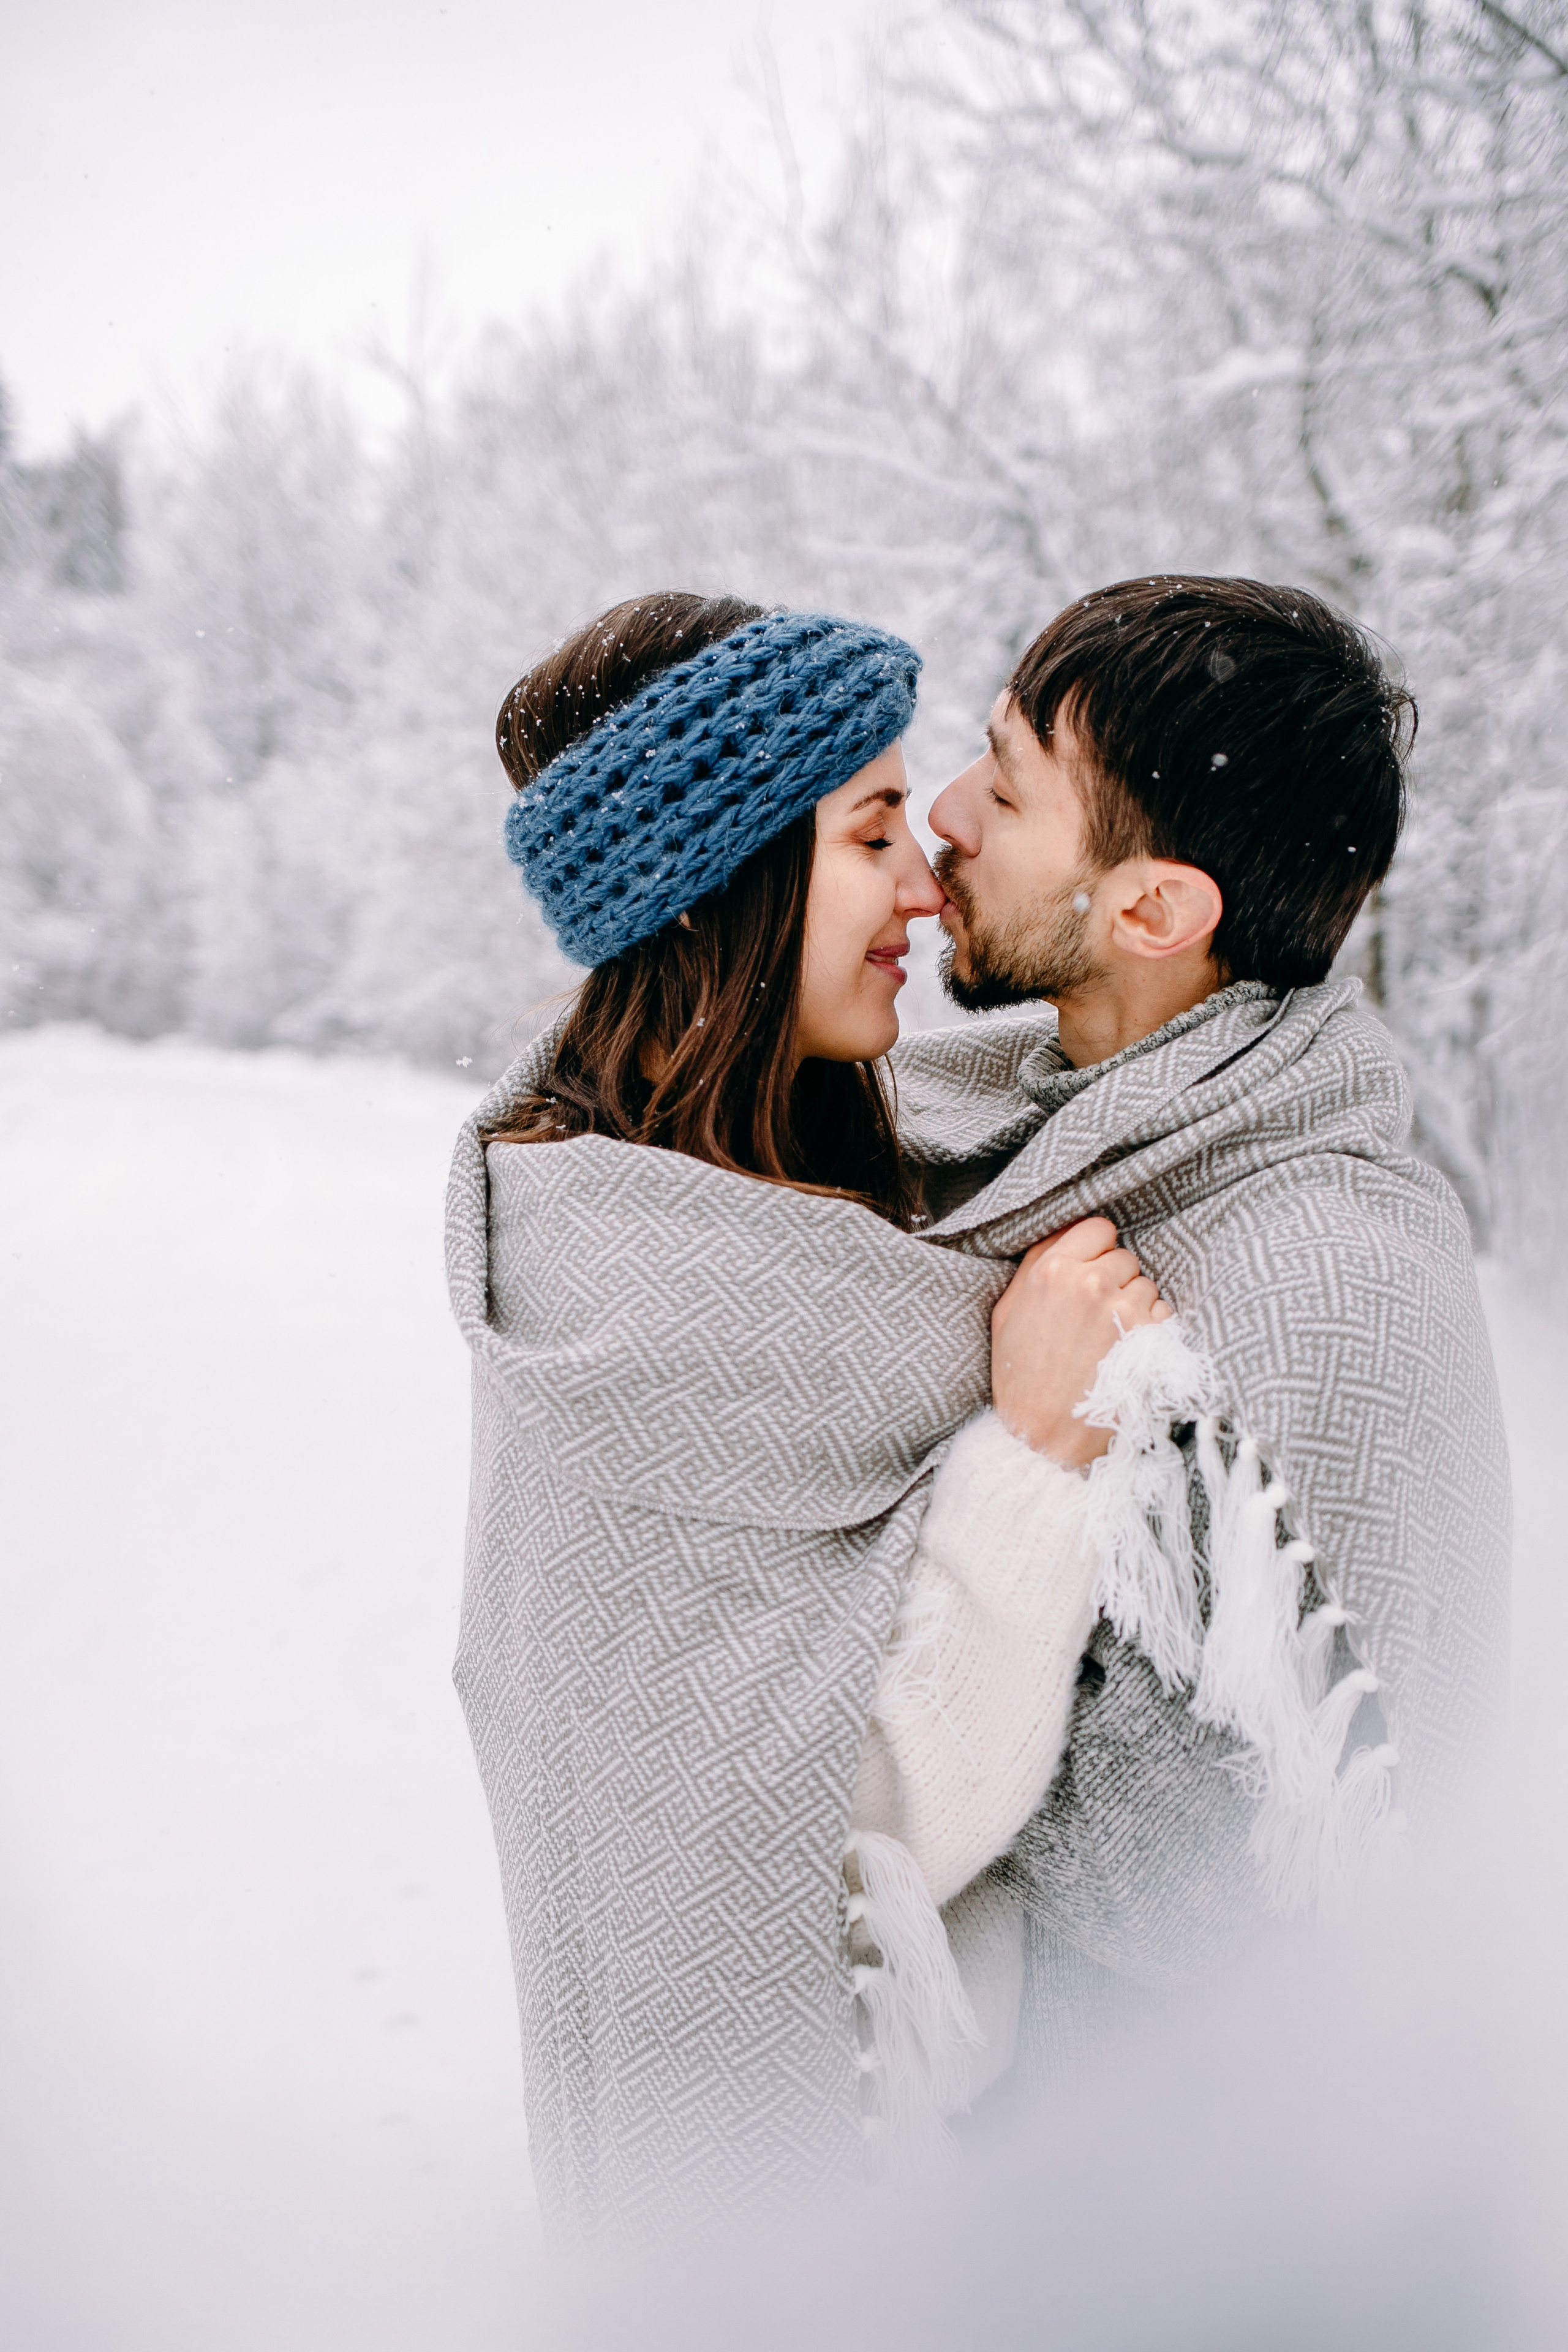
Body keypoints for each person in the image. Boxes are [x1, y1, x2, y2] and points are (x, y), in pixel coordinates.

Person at [445, 595, 1163, 2243]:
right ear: (726, 881)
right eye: (870, 831)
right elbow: (816, 1839)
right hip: (810, 2228)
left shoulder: (827, 1174)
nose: (924, 883)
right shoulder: (622, 1288)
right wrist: (1030, 1462)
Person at [873, 573, 1511, 2094]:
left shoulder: (1317, 1286)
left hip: (1152, 2167)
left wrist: (985, 1525)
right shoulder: (1051, 1142)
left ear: (1152, 911)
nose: (943, 815)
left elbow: (1225, 1889)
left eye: (1005, 790)